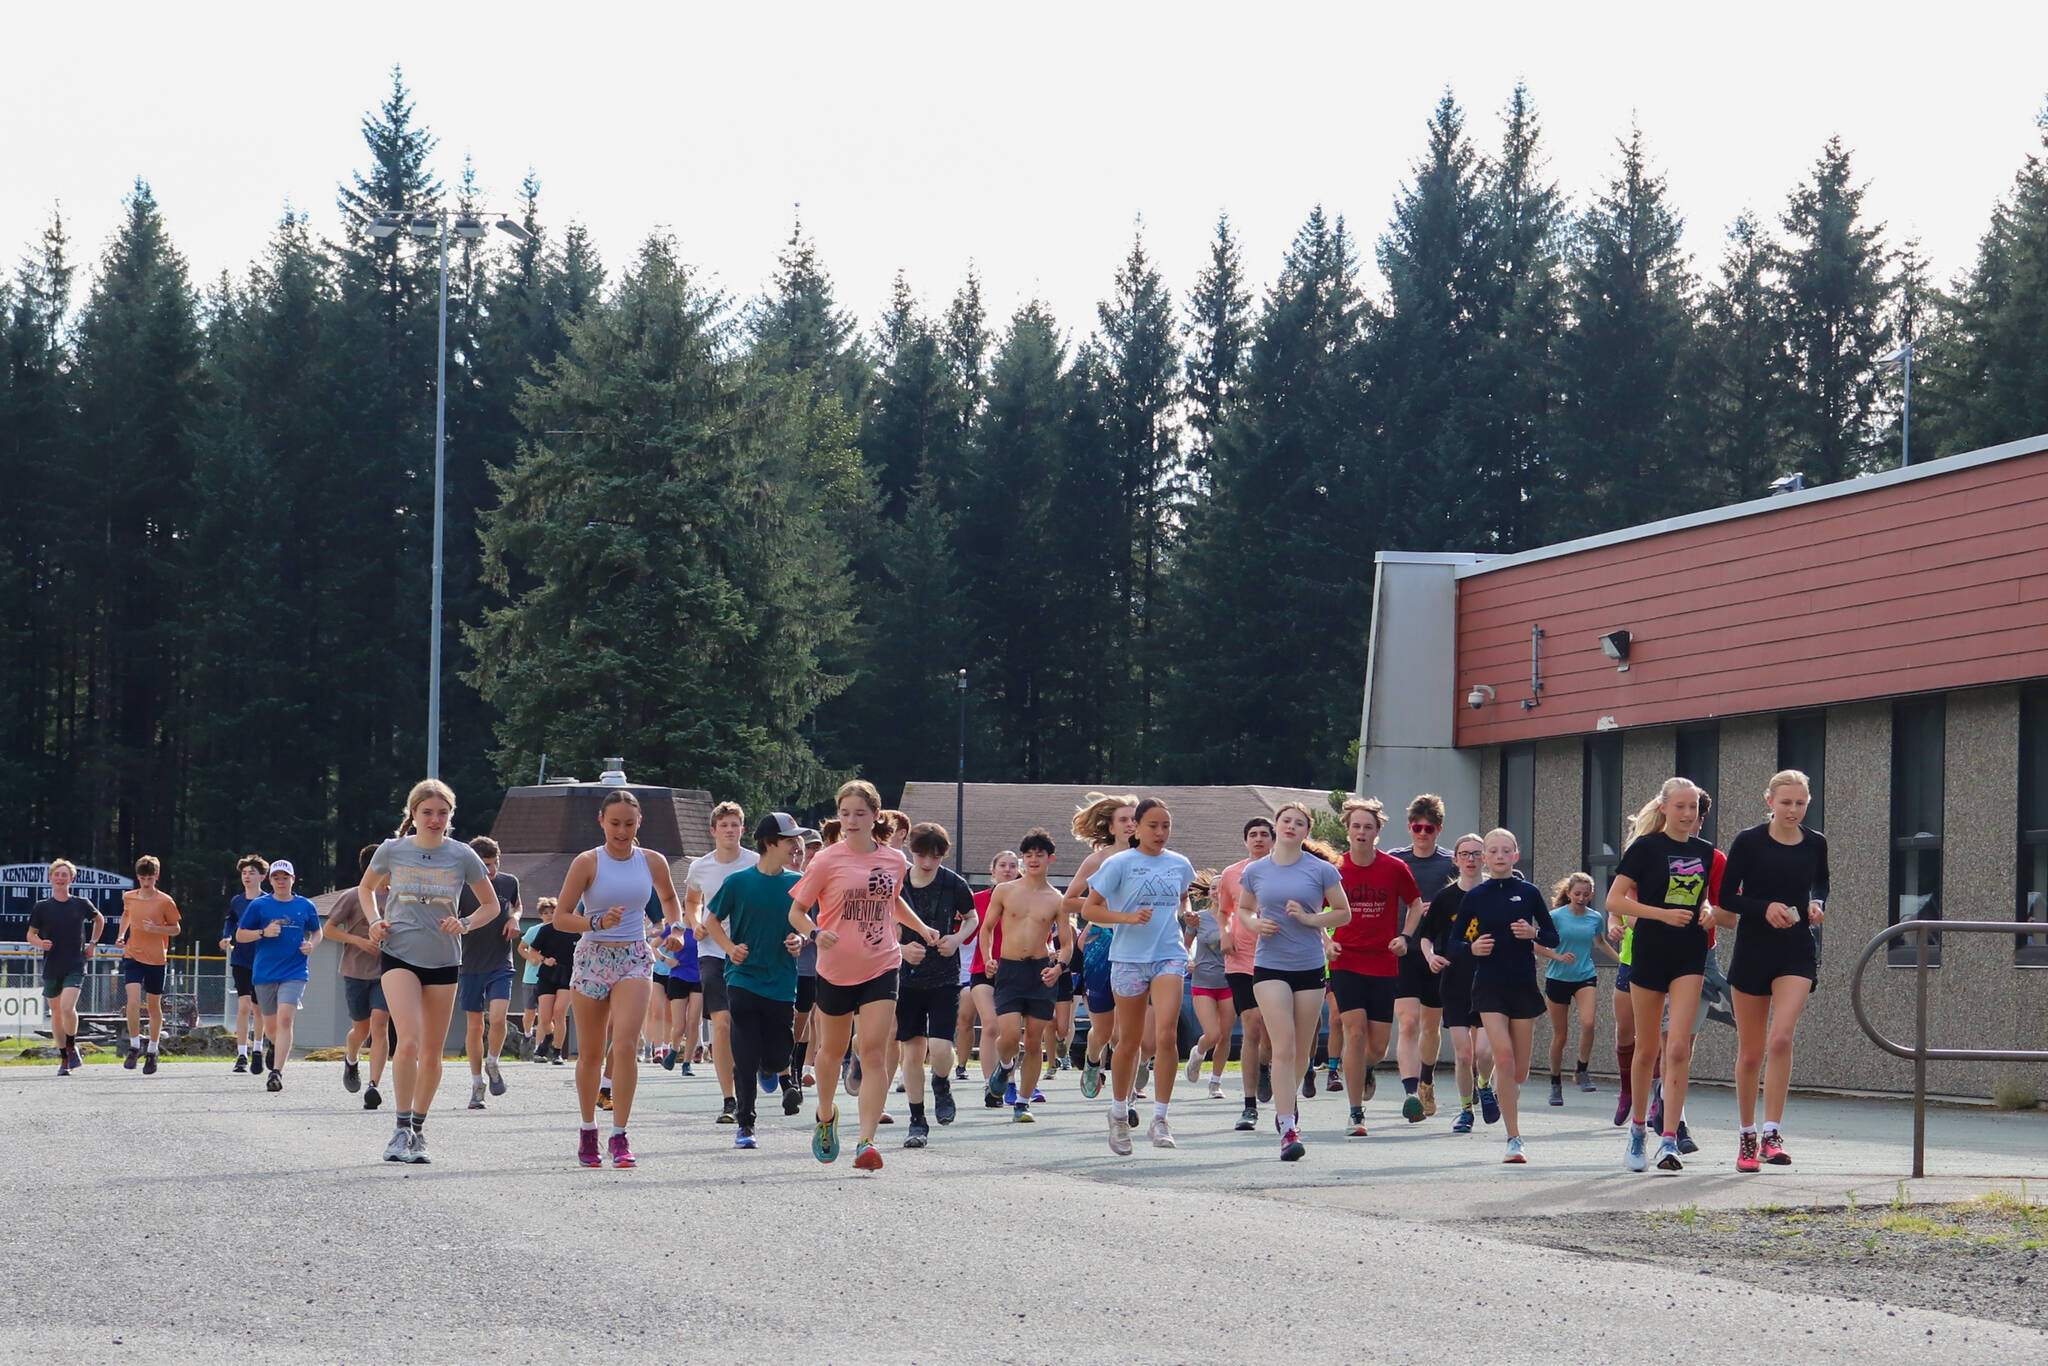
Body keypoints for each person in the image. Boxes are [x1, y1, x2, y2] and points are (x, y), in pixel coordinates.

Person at [788, 779, 939, 1172]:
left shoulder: (892, 860)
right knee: (830, 1053)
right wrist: (817, 933)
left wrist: (921, 928)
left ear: (875, 816)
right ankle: (825, 1115)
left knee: (873, 1051)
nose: (851, 820)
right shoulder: (826, 860)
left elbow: (893, 902)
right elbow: (797, 912)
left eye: (859, 813)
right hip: (835, 968)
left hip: (881, 963)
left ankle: (867, 1142)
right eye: (845, 813)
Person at [361, 779, 501, 1166]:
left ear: (451, 816)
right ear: (413, 814)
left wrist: (466, 923)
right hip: (399, 953)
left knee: (433, 1052)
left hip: (443, 959)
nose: (435, 820)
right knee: (407, 1040)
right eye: (427, 812)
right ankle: (400, 1127)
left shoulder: (462, 856)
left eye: (442, 813)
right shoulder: (393, 850)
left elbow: (490, 906)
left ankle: (419, 1130)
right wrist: (374, 921)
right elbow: (366, 888)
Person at [552, 788, 681, 1169]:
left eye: (628, 823)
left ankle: (620, 1135)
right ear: (601, 822)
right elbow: (561, 917)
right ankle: (588, 1130)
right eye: (614, 824)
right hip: (593, 955)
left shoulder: (652, 861)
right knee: (591, 1052)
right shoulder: (587, 862)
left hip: (634, 956)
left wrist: (673, 928)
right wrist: (595, 921)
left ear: (639, 823)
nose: (621, 831)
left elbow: (671, 899)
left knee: (625, 1044)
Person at [1720, 769, 1830, 1172]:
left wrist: (1817, 905)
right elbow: (1726, 896)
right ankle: (1747, 1135)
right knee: (1751, 1051)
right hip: (1753, 949)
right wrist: (1763, 906)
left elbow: (1821, 884)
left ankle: (1771, 1133)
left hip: (1796, 951)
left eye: (1800, 803)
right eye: (1786, 802)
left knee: (1781, 1039)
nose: (1794, 810)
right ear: (1770, 801)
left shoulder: (1815, 843)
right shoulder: (1748, 841)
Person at [1610, 777, 1717, 1174]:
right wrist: (1659, 914)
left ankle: (1668, 1138)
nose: (1688, 814)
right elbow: (1615, 899)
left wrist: (1707, 911)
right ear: (1666, 807)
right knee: (1647, 1048)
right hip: (1650, 950)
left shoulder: (1706, 851)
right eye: (1681, 807)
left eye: (1694, 808)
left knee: (1678, 1050)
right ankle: (1638, 1130)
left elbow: (1703, 896)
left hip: (1690, 954)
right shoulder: (1646, 848)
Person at [1082, 798, 1199, 1154]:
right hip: (1129, 958)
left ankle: (1160, 1118)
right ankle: (1118, 1114)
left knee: (1165, 1036)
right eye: (1153, 826)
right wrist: (1127, 918)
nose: (1160, 833)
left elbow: (1181, 902)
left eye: (1166, 826)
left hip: (1168, 955)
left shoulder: (1179, 864)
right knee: (1128, 1041)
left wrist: (1188, 918)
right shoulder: (1119, 863)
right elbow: (1090, 907)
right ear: (1136, 826)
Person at [1237, 804, 1349, 1161]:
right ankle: (1288, 1129)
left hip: (1309, 966)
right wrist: (1254, 925)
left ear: (1306, 832)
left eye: (1299, 823)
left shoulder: (1321, 870)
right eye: (1286, 821)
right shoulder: (1256, 870)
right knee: (1283, 1045)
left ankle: (1289, 1097)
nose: (1291, 826)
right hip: (1269, 965)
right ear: (1276, 827)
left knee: (1302, 1050)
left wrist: (1310, 918)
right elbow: (1243, 910)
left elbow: (1343, 911)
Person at [701, 812, 808, 1149]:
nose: (795, 845)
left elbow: (806, 925)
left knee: (777, 1057)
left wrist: (799, 942)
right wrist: (730, 948)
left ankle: (772, 1069)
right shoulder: (738, 882)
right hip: (742, 978)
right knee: (744, 1054)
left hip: (780, 981)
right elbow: (712, 919)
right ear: (769, 843)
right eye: (789, 839)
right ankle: (745, 1124)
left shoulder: (798, 883)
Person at [1450, 830, 1556, 1163]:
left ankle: (1503, 1091)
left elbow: (1553, 936)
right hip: (1489, 986)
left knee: (1519, 1071)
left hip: (1523, 985)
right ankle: (1514, 1139)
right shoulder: (1476, 896)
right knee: (1505, 1059)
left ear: (1515, 855)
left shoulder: (1529, 892)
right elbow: (1453, 943)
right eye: (1492, 851)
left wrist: (1533, 933)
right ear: (1484, 858)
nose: (1498, 856)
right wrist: (1472, 948)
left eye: (1505, 850)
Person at [1329, 798, 1422, 1137]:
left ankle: (1366, 1068)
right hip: (1346, 960)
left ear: (1377, 832)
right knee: (1353, 1031)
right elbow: (1315, 911)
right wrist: (1327, 942)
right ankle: (1356, 1112)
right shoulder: (1334, 869)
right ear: (1348, 830)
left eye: (1368, 827)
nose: (1362, 832)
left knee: (1378, 1045)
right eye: (1356, 826)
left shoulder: (1394, 868)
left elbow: (1414, 903)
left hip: (1383, 962)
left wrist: (1405, 936)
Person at [896, 823, 977, 1146]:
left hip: (944, 974)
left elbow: (971, 917)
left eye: (935, 856)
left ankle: (941, 1083)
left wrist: (957, 939)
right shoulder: (898, 883)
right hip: (907, 977)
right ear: (911, 851)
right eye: (921, 855)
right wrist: (901, 950)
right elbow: (884, 922)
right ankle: (917, 1119)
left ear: (943, 855)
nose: (927, 862)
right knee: (912, 1050)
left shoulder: (953, 883)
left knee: (941, 1046)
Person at [983, 828, 1072, 1124]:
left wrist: (1058, 967)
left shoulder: (1057, 899)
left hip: (1040, 971)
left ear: (1050, 859)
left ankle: (1023, 1101)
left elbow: (1067, 943)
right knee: (1008, 1035)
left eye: (1040, 855)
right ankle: (1005, 1065)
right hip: (1009, 969)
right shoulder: (1005, 891)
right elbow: (987, 928)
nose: (1033, 860)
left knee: (1034, 1040)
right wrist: (988, 959)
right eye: (1029, 855)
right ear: (1023, 859)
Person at [685, 802, 758, 1126]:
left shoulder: (755, 862)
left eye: (735, 825)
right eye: (724, 825)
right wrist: (694, 922)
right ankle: (730, 1098)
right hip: (712, 951)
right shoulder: (700, 867)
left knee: (749, 1023)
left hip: (747, 950)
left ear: (743, 829)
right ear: (713, 830)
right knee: (723, 1022)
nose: (730, 830)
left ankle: (757, 1075)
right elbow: (691, 902)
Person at [1418, 834, 1494, 1133]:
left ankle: (1485, 1086)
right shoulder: (1445, 898)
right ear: (1456, 859)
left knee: (1485, 1053)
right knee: (1464, 1054)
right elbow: (1426, 935)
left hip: (1489, 981)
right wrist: (1430, 956)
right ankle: (1465, 1110)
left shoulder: (1494, 893)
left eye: (1477, 854)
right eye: (1465, 854)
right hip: (1455, 982)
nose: (1471, 859)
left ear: (1484, 858)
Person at [1065, 793, 1140, 1099]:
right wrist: (1104, 904)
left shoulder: (1150, 858)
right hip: (1101, 943)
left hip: (1137, 944)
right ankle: (1093, 1058)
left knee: (1126, 1033)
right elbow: (1068, 900)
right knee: (1105, 1031)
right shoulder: (1097, 860)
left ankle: (1127, 1095)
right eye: (1123, 820)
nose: (1130, 825)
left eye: (1135, 819)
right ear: (1110, 827)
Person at [1388, 794, 1457, 1119]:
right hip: (1404, 951)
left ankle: (1427, 1081)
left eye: (1429, 829)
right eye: (1417, 827)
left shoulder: (1450, 864)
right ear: (1409, 827)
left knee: (1431, 1027)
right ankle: (1411, 1092)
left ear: (1438, 830)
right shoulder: (1396, 861)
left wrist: (1437, 910)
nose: (1422, 833)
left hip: (1438, 953)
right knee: (1408, 1023)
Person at [235, 860, 324, 1093]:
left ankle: (277, 1072)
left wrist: (312, 944)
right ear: (270, 880)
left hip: (294, 971)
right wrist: (263, 932)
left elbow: (318, 930)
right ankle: (274, 1044)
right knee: (272, 1026)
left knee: (286, 1019)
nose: (281, 882)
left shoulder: (305, 906)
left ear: (293, 879)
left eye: (285, 878)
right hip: (265, 973)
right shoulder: (259, 906)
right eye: (277, 878)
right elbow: (240, 935)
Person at [323, 844, 393, 1109]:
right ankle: (351, 1057)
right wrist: (358, 941)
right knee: (361, 1030)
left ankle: (373, 1086)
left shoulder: (398, 897)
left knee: (380, 1025)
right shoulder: (354, 896)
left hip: (386, 971)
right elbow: (329, 930)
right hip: (355, 970)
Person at [457, 835, 523, 1109]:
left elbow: (517, 906)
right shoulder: (459, 887)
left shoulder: (509, 882)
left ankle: (493, 1062)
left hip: (500, 961)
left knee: (498, 1019)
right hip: (469, 964)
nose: (491, 871)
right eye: (484, 866)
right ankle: (476, 1084)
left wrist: (514, 919)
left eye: (494, 864)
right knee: (475, 1026)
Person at [1219, 818, 1275, 1131]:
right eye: (1252, 834)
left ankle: (1265, 1066)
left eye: (1264, 834)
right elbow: (1224, 910)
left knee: (1269, 1031)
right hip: (1240, 960)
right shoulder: (1232, 874)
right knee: (1251, 1025)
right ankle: (1249, 1105)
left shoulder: (1283, 870)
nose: (1258, 839)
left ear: (1273, 839)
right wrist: (1224, 933)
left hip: (1275, 958)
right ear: (1245, 841)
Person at [26, 859, 104, 1075]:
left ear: (72, 879)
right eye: (57, 874)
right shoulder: (42, 907)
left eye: (65, 874)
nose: (60, 878)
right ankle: (64, 1060)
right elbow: (30, 934)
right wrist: (40, 943)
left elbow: (100, 920)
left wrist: (93, 944)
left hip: (75, 963)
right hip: (52, 965)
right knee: (57, 1014)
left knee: (67, 1008)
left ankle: (71, 1047)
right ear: (50, 878)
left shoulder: (81, 903)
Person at [1543, 872, 1605, 1105]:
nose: (1581, 898)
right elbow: (1537, 944)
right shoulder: (1555, 916)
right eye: (1577, 893)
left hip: (1584, 976)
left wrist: (1621, 959)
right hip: (1557, 977)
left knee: (1588, 1023)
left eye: (1585, 894)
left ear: (1592, 895)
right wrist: (1557, 956)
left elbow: (1600, 942)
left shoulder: (1595, 917)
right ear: (1568, 893)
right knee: (1561, 1035)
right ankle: (1555, 1083)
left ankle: (1581, 1070)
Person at [116, 855, 181, 1074]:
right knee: (132, 1001)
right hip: (133, 954)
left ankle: (152, 1050)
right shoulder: (129, 897)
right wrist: (121, 935)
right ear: (137, 877)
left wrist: (157, 929)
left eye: (150, 878)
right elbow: (126, 915)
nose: (146, 882)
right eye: (143, 878)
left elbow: (176, 928)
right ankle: (134, 1045)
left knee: (154, 1006)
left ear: (156, 877)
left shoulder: (165, 901)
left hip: (156, 958)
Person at [962, 849, 1020, 1088]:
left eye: (1013, 866)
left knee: (1011, 1031)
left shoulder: (1025, 899)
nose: (1008, 869)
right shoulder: (978, 900)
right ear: (993, 871)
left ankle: (1009, 1077)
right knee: (991, 1025)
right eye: (1003, 865)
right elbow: (967, 937)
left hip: (1015, 970)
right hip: (982, 969)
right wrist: (961, 923)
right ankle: (990, 1083)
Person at [1183, 872, 1234, 1099]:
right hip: (1203, 980)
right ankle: (1199, 1052)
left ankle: (1215, 1082)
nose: (1216, 891)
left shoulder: (1238, 917)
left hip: (1230, 981)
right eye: (1213, 888)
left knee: (1225, 1035)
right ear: (1209, 892)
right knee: (1212, 1033)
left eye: (1221, 887)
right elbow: (1184, 946)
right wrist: (1189, 959)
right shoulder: (1198, 918)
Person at [219, 855, 268, 1073]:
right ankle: (241, 1054)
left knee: (259, 1008)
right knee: (243, 1006)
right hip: (240, 959)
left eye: (252, 873)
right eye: (244, 873)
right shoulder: (237, 901)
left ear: (262, 877)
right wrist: (227, 936)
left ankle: (258, 1049)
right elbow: (230, 920)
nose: (247, 877)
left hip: (262, 960)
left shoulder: (268, 901)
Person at [525, 898, 577, 1064]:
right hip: (548, 974)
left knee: (559, 1012)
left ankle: (557, 1052)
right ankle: (549, 1037)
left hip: (568, 974)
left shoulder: (577, 931)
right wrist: (543, 959)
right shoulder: (546, 930)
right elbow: (532, 950)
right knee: (545, 1018)